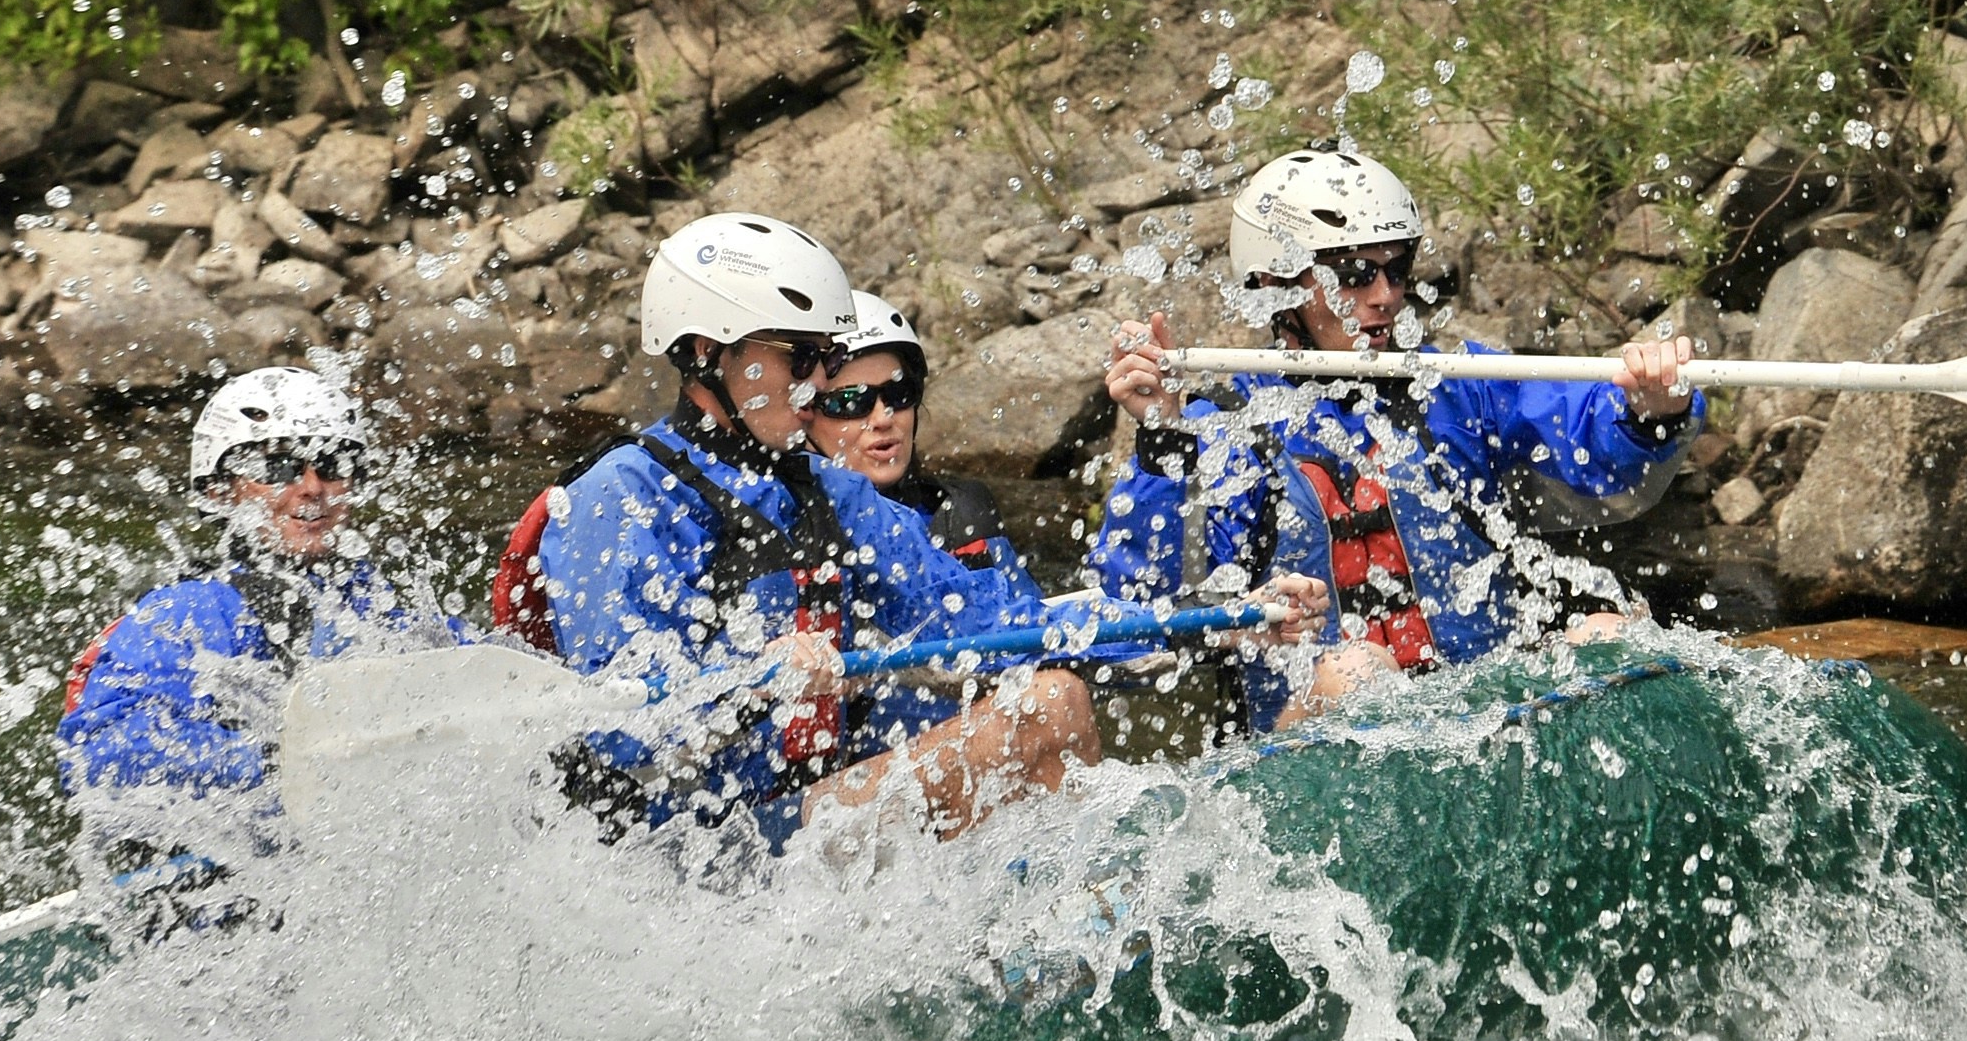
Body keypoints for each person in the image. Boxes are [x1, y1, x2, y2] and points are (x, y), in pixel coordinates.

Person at [512, 211, 1103, 848]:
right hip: (679, 849)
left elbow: (980, 616)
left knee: (1050, 698)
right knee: (1051, 708)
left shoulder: (828, 489)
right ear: (708, 351)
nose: (819, 383)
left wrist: (1133, 627)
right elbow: (619, 725)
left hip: (797, 818)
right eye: (800, 358)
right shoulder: (613, 496)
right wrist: (750, 678)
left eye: (825, 358)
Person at [1091, 145, 1700, 731]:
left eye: (1397, 269)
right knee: (1356, 670)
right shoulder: (1224, 425)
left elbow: (1588, 433)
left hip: (1478, 716)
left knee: (1605, 637)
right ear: (1278, 286)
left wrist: (1652, 406)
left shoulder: (1456, 386)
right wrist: (1163, 440)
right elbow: (1148, 602)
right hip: (1308, 740)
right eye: (1355, 274)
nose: (1385, 297)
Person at [57, 368, 452, 840]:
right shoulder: (190, 610)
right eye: (278, 467)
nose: (311, 487)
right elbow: (98, 755)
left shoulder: (370, 602)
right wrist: (276, 758)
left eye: (331, 464)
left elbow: (466, 665)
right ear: (221, 491)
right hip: (215, 891)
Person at [803, 292, 1046, 597]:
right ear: (803, 418)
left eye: (899, 393)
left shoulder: (961, 513)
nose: (884, 417)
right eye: (850, 401)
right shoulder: (780, 533)